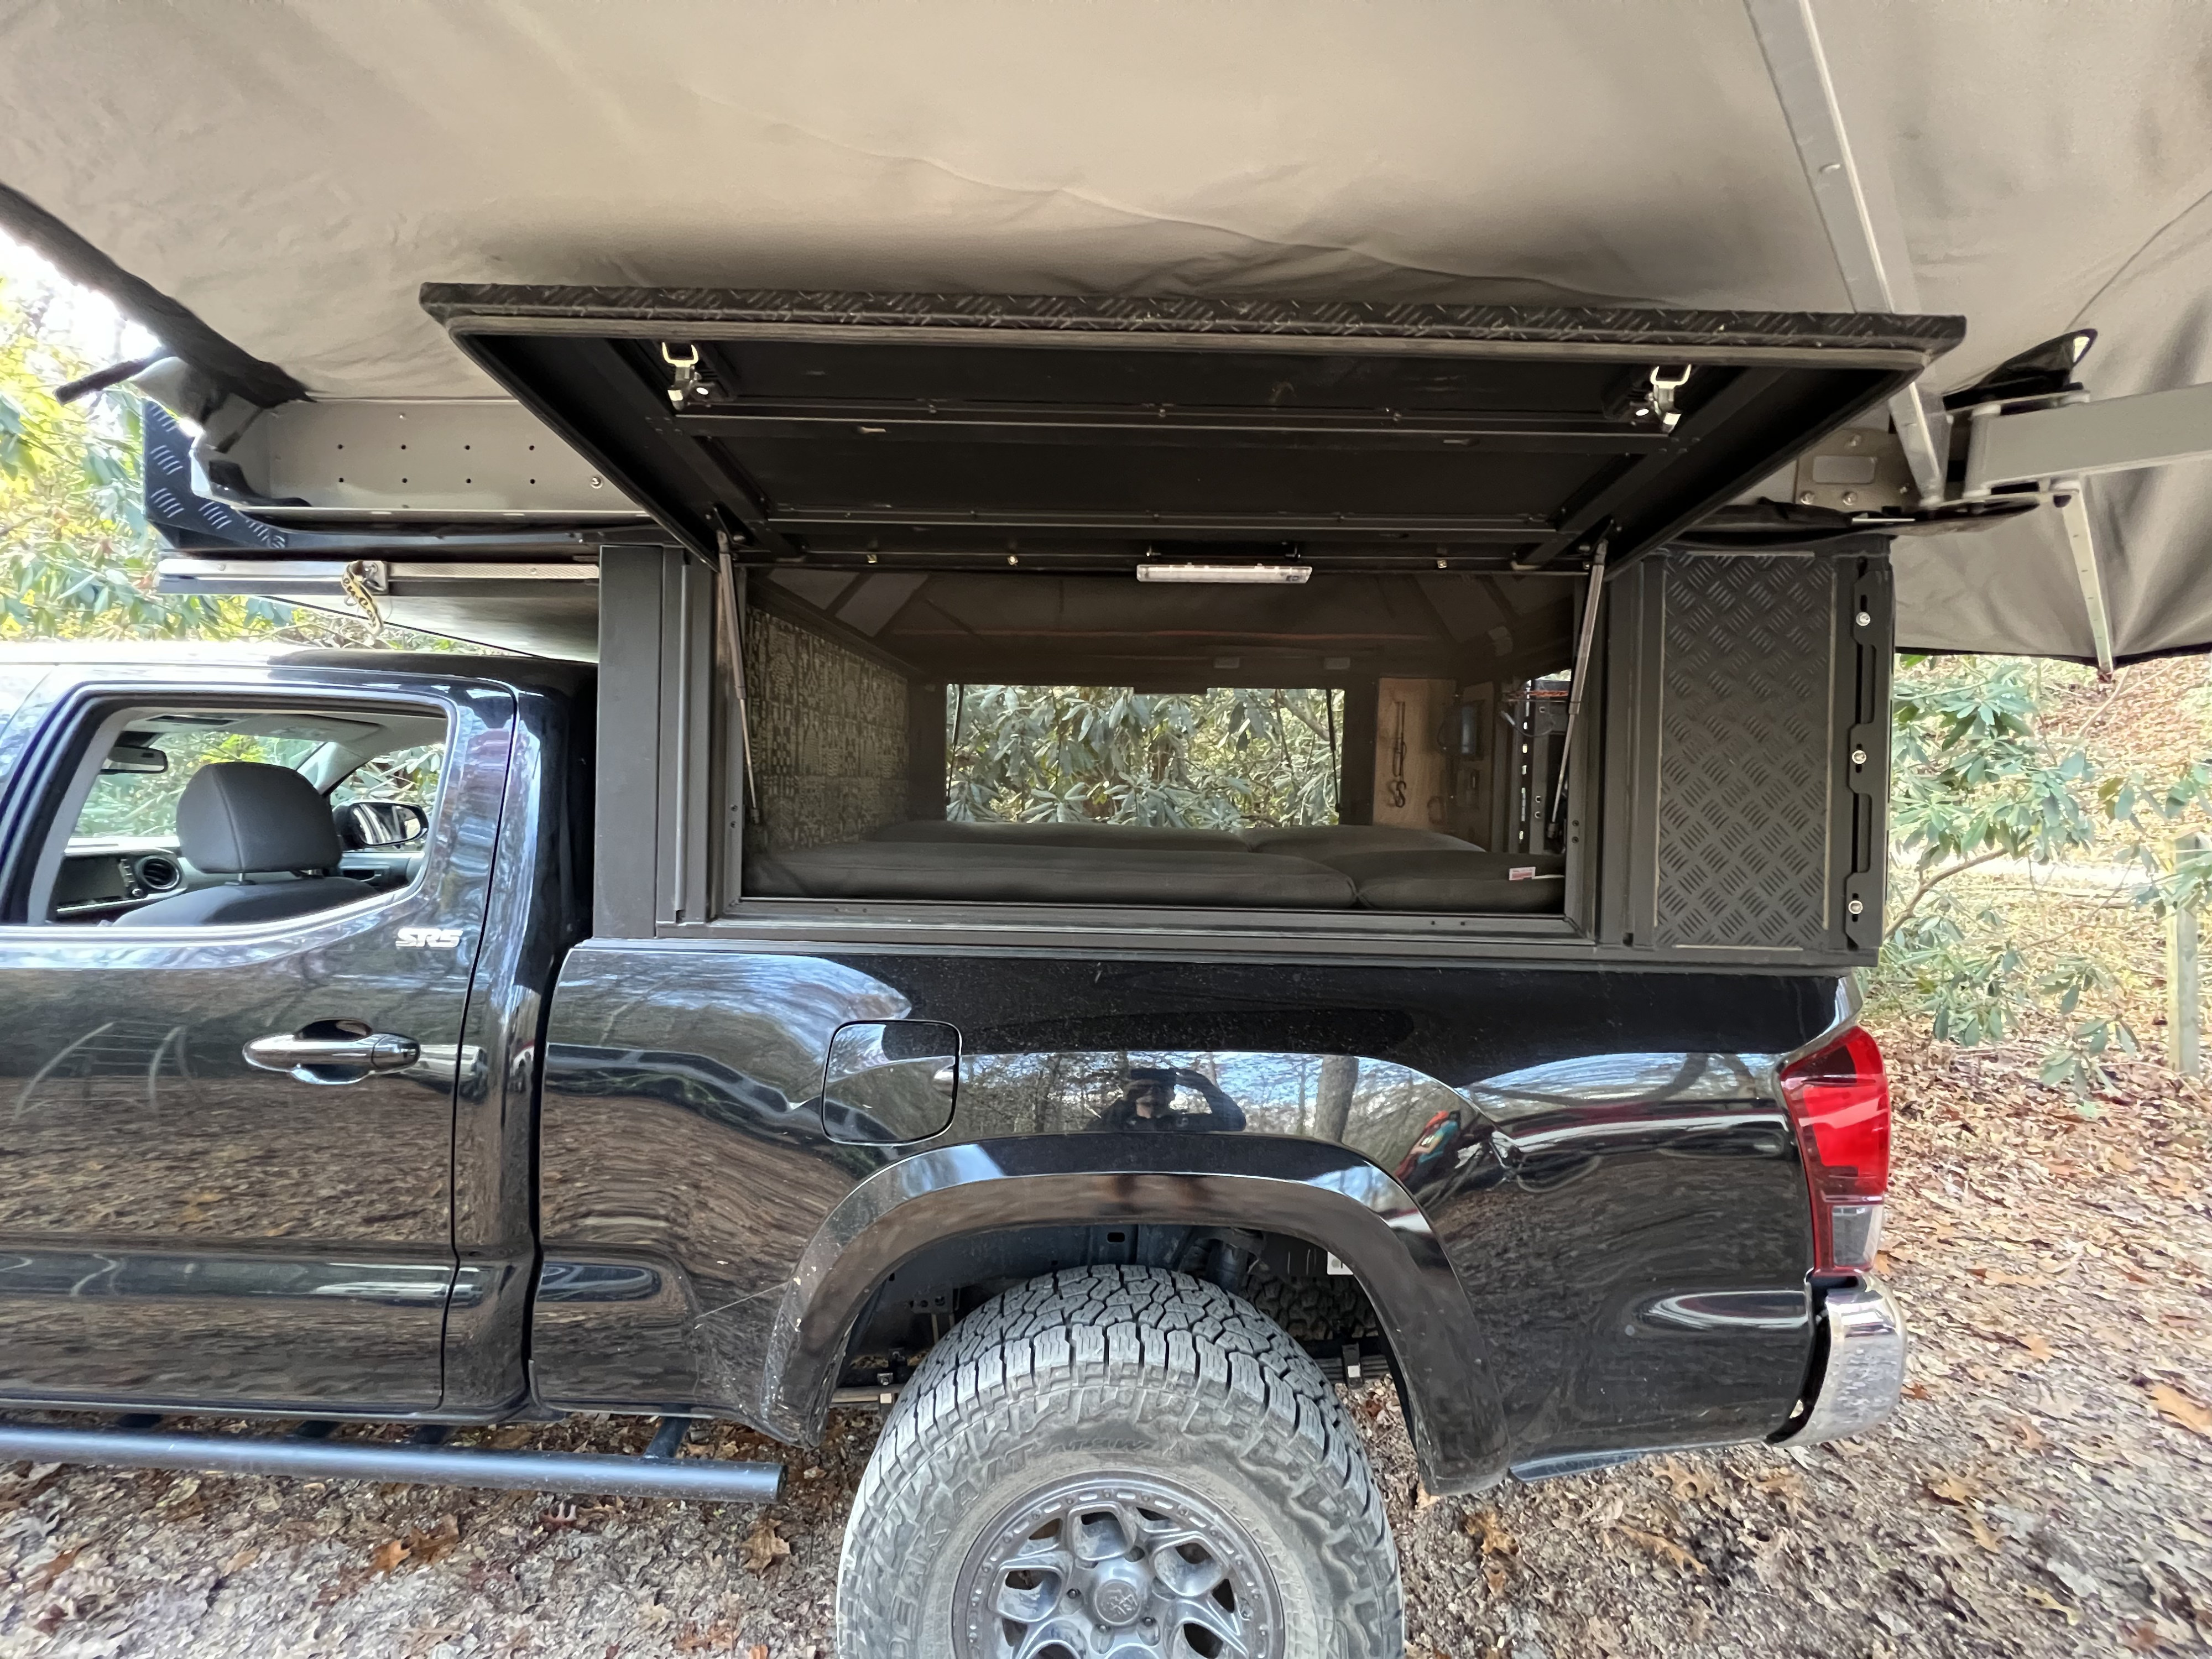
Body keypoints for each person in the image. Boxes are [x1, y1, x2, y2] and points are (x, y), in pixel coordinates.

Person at [1094, 1064, 1246, 1133]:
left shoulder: (1184, 1124)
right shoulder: (1118, 1124)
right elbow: (1090, 1135)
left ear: (1172, 1095)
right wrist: (1124, 1103)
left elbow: (1234, 1123)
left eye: (1161, 1088)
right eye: (1145, 1087)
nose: (1153, 1091)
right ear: (1132, 1092)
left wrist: (1206, 1088)